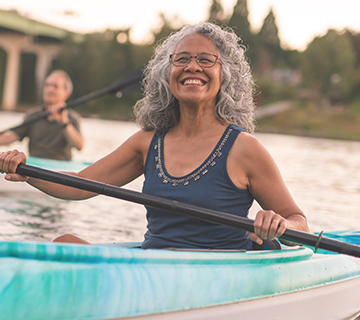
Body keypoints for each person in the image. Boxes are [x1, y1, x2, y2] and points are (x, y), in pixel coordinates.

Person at [0, 22, 309, 249]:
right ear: (167, 72)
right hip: (155, 264)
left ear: (224, 74)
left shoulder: (244, 149)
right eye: (182, 58)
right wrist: (26, 172)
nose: (192, 66)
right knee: (63, 243)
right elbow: (78, 185)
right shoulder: (147, 142)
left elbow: (299, 221)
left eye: (205, 59)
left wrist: (279, 224)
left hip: (218, 269)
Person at [0, 70, 83, 160]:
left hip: (60, 168)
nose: (50, 89)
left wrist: (64, 123)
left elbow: (79, 146)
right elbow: (11, 136)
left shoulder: (72, 117)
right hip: (35, 166)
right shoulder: (33, 115)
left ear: (66, 93)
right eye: (47, 85)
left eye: (55, 86)